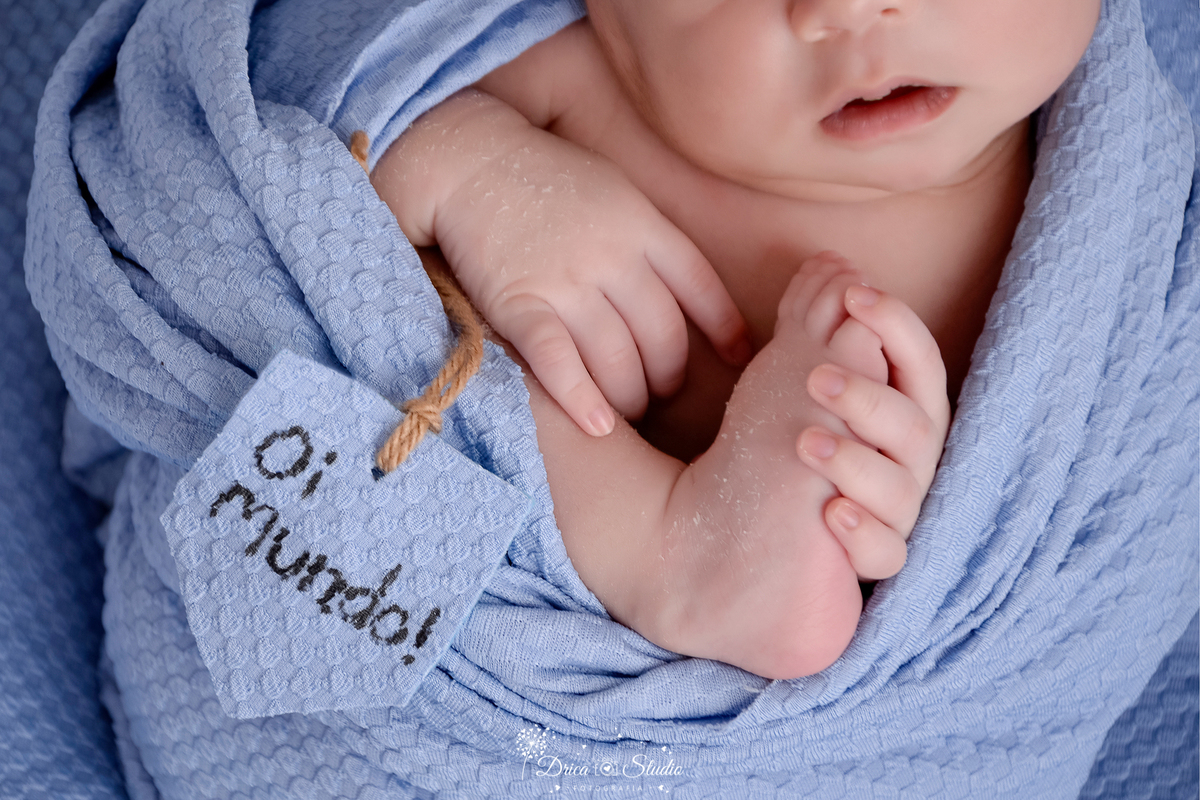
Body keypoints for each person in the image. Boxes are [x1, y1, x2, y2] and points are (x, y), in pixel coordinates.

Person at [367, 0, 1098, 678]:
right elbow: (329, 163)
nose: (844, 10)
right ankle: (663, 555)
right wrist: (481, 168)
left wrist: (887, 507)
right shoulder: (583, 84)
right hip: (561, 541)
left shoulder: (1119, 256)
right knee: (437, 335)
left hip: (852, 647)